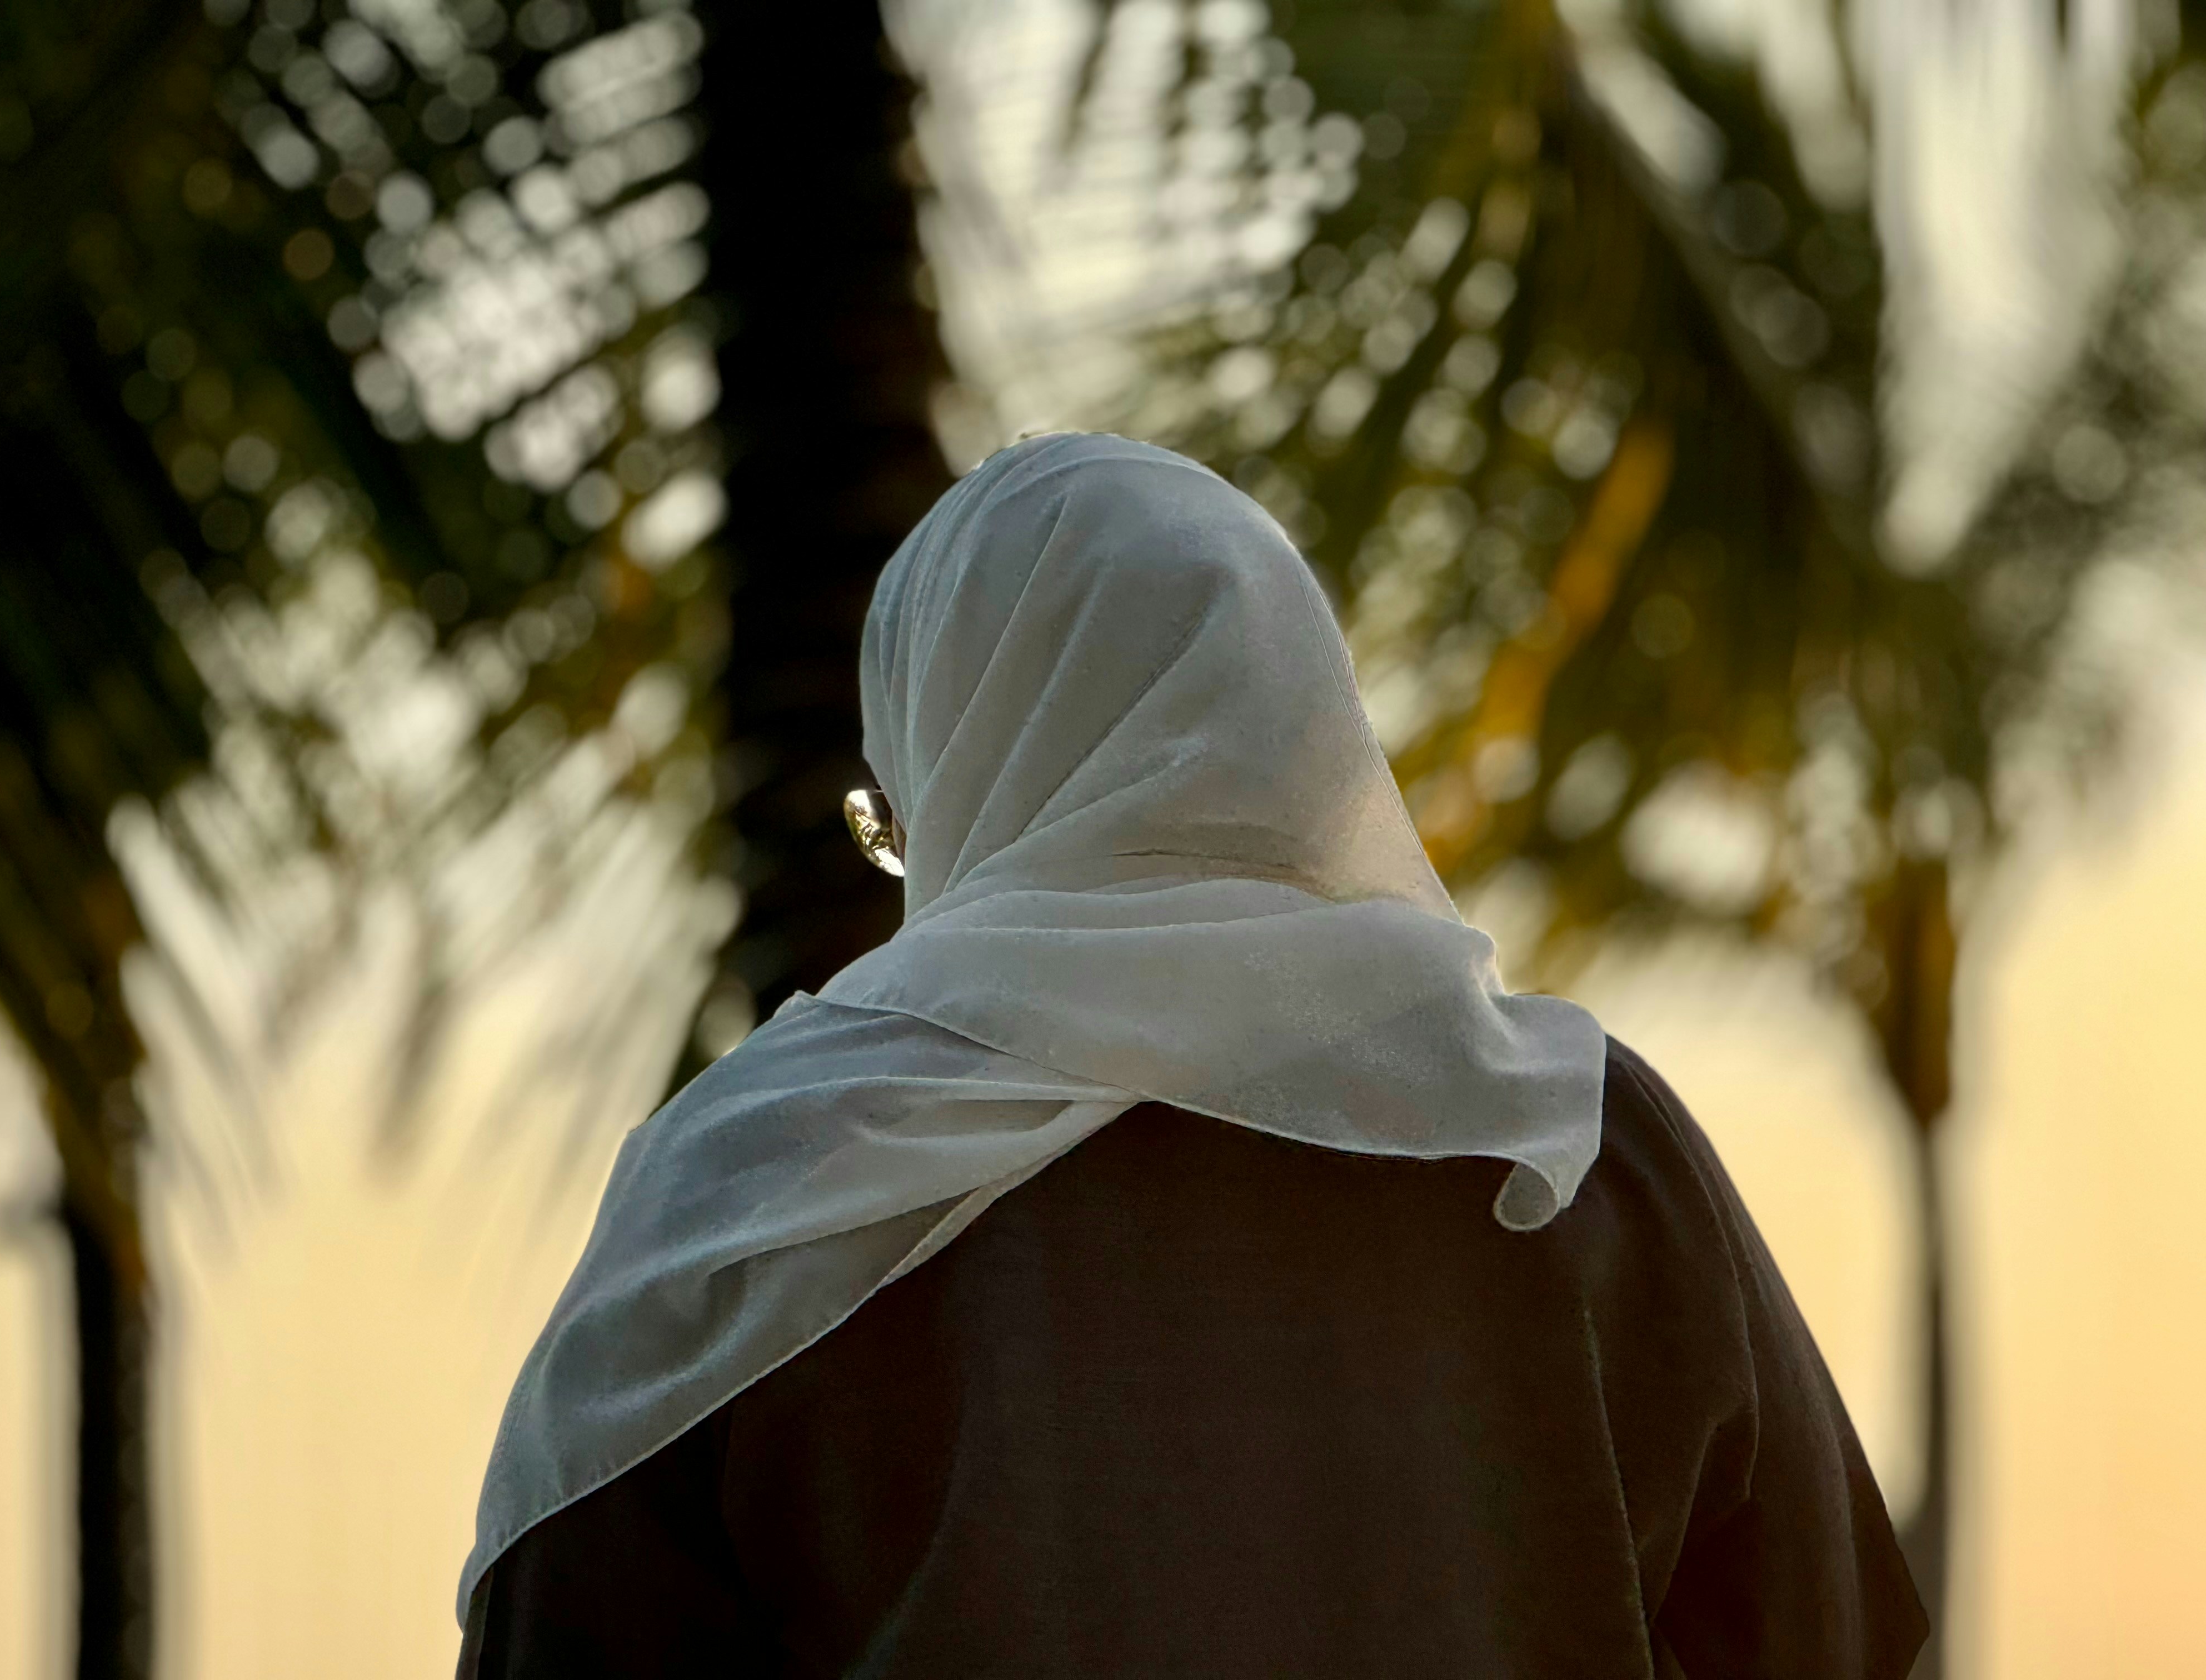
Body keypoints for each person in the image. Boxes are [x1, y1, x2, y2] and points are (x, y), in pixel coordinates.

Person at [457, 433, 1926, 1678]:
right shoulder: (1582, 1145)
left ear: (957, 768)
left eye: (890, 818)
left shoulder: (744, 1198)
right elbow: (1835, 1639)